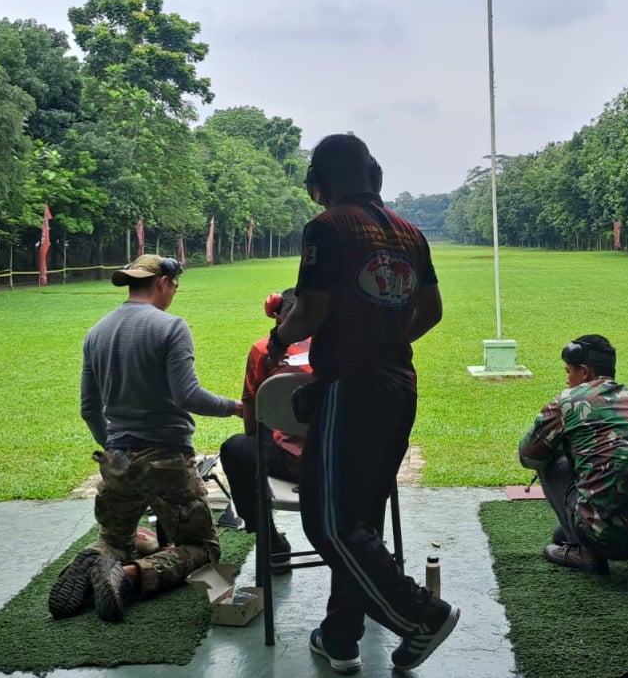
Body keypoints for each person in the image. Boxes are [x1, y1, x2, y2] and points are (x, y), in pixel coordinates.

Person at [267, 134, 455, 674]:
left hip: (348, 388)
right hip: (398, 385)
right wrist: (389, 340)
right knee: (361, 522)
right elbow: (432, 310)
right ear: (373, 173)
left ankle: (422, 615)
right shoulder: (410, 231)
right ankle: (341, 635)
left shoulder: (327, 227)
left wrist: (281, 340)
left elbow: (312, 311)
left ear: (318, 182)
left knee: (327, 522)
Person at [49, 254, 239, 622]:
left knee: (114, 539)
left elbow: (89, 408)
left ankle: (99, 559)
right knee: (202, 548)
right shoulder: (171, 327)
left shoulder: (96, 332)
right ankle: (131, 577)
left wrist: (115, 449)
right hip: (168, 460)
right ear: (163, 283)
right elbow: (188, 396)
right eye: (175, 286)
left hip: (117, 462)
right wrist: (234, 407)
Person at [518, 334, 628, 575]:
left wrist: (568, 449)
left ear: (584, 372)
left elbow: (529, 457)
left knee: (547, 458)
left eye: (568, 372)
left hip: (600, 538)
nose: (567, 380)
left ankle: (585, 552)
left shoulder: (567, 402)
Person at [217, 288, 312, 570]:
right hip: (344, 460)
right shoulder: (341, 347)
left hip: (294, 462)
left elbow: (252, 423)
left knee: (235, 449)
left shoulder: (263, 350)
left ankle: (269, 540)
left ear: (277, 315)